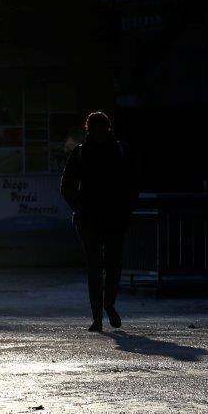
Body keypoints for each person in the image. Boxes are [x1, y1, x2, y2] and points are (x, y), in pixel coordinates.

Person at [60, 111, 138, 332]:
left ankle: (106, 307)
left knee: (109, 266)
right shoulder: (82, 153)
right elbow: (66, 186)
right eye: (98, 129)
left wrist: (125, 208)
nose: (101, 133)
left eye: (103, 129)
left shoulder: (119, 151)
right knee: (97, 268)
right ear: (90, 130)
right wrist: (81, 209)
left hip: (111, 218)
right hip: (93, 220)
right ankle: (99, 314)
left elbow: (133, 183)